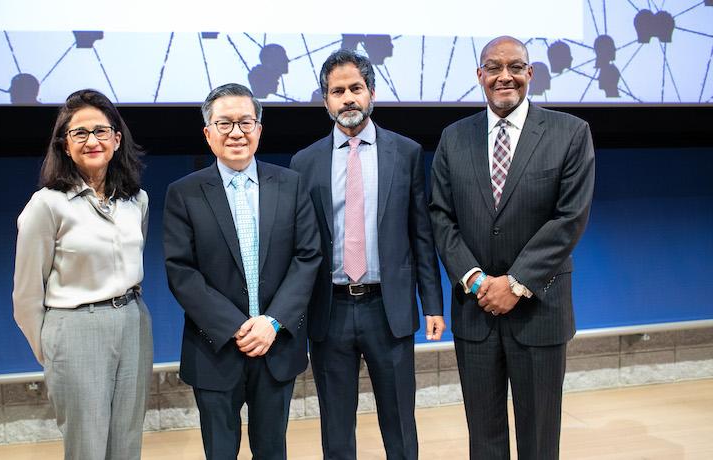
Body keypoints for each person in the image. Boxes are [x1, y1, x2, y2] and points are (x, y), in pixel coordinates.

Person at [429, 36, 595, 459]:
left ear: (530, 74)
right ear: (479, 75)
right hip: (475, 309)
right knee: (483, 437)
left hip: (540, 309)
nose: (506, 76)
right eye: (494, 67)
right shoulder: (453, 138)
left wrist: (517, 282)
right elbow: (441, 216)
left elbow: (569, 217)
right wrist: (476, 279)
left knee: (539, 439)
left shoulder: (571, 133)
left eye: (516, 67)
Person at [290, 49, 445, 460]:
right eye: (337, 91)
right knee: (336, 429)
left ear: (371, 92)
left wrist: (432, 303)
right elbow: (300, 247)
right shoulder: (303, 163)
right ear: (325, 101)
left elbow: (421, 235)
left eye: (355, 88)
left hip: (387, 309)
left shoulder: (406, 152)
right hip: (330, 311)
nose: (347, 98)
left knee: (399, 425)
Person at [162, 83, 321, 459]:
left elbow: (307, 257)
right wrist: (235, 326)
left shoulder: (291, 184)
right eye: (225, 123)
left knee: (272, 451)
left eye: (245, 122)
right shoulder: (183, 193)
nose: (236, 132)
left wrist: (272, 322)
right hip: (214, 347)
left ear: (259, 129)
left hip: (275, 344)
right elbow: (181, 270)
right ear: (208, 132)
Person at [12, 89, 153, 460]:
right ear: (64, 144)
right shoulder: (47, 204)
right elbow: (26, 296)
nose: (93, 141)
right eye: (80, 133)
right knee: (87, 447)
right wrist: (53, 352)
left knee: (126, 441)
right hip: (75, 328)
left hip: (134, 321)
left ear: (117, 139)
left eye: (101, 131)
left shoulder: (136, 200)